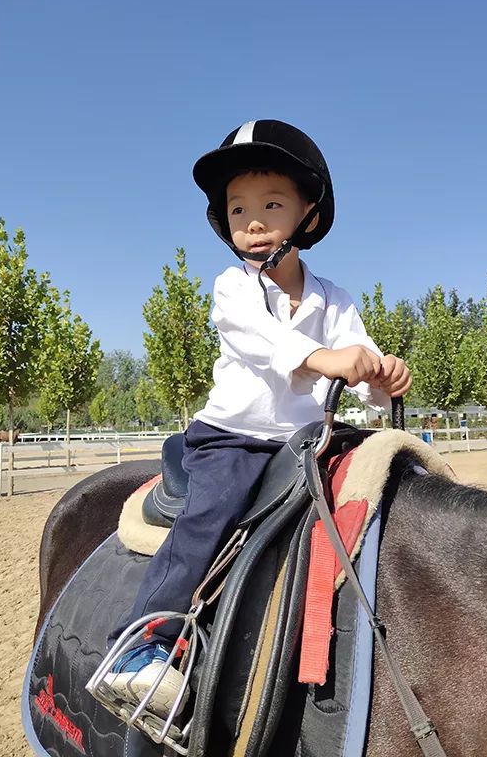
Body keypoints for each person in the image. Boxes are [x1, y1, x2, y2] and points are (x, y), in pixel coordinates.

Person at [103, 119, 412, 716]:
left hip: (304, 440)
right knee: (210, 515)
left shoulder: (335, 298)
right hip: (235, 439)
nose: (252, 219)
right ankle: (142, 645)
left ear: (309, 215)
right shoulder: (232, 288)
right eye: (238, 206)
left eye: (272, 203)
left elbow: (360, 361)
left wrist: (382, 377)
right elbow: (263, 343)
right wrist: (328, 358)